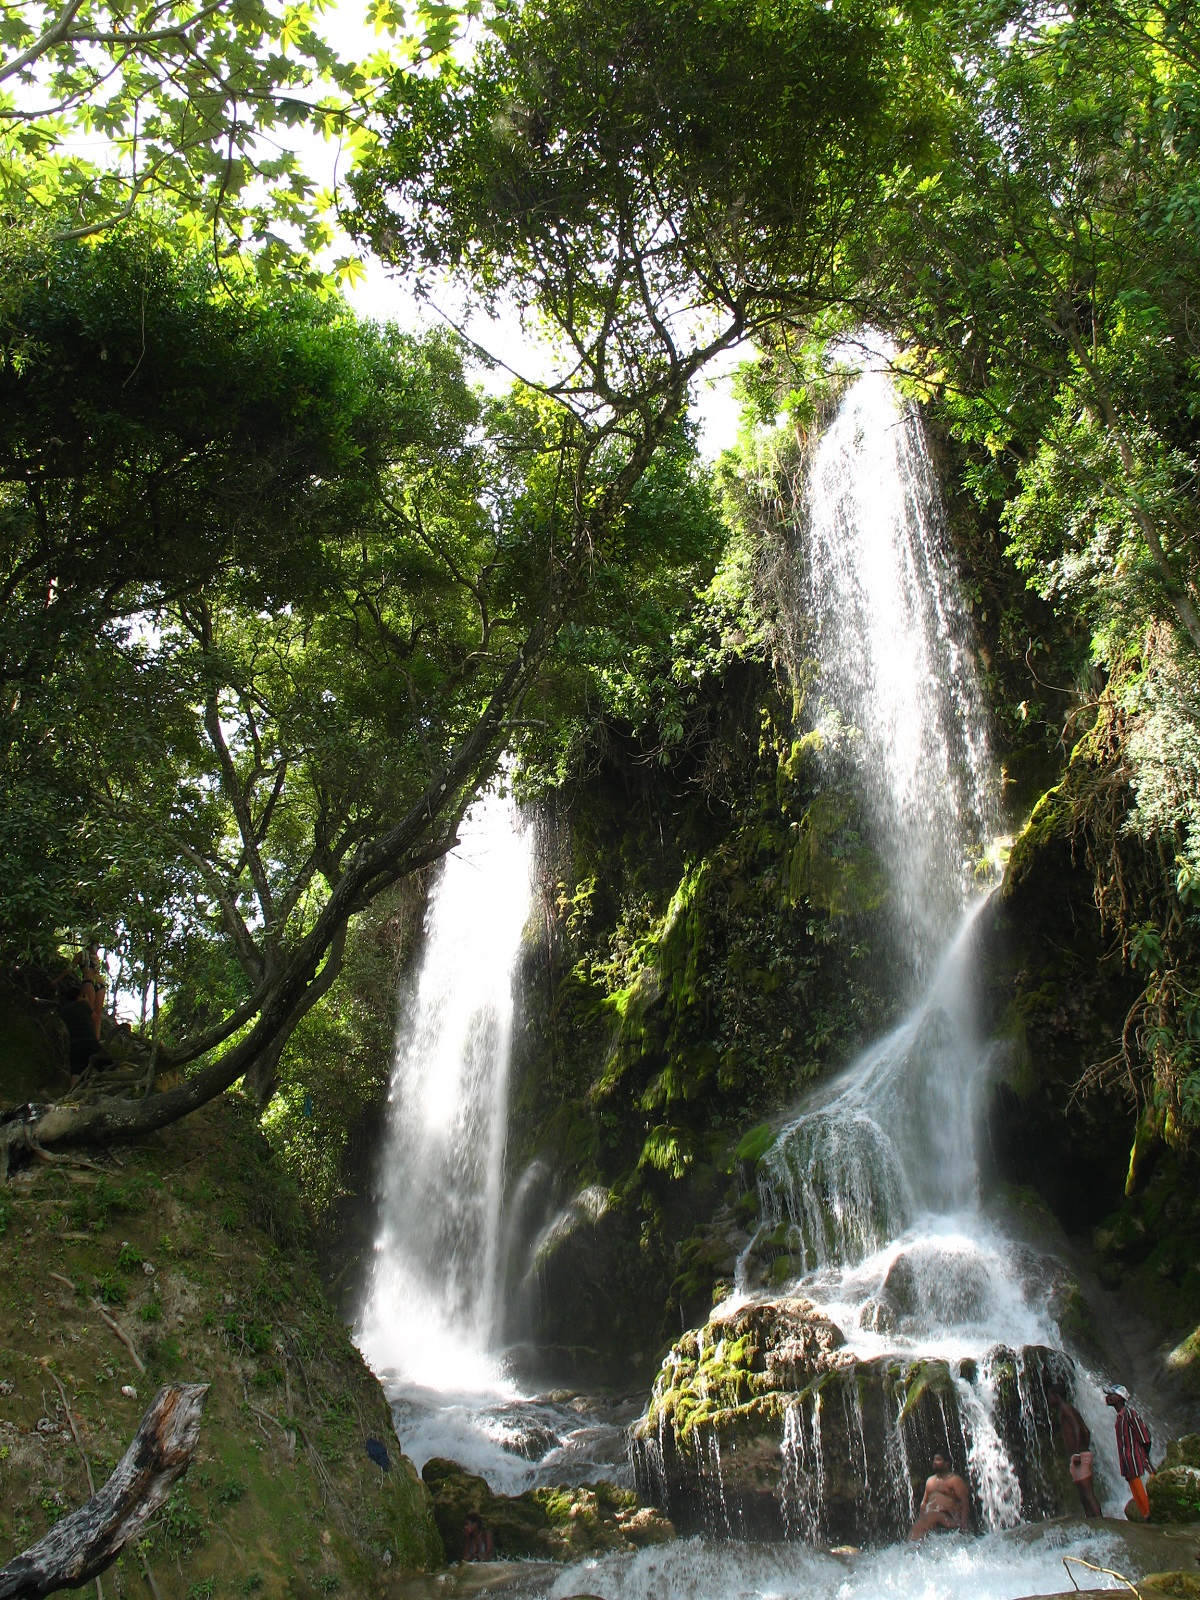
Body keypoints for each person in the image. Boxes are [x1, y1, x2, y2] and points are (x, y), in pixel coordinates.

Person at [1047, 1382, 1103, 1518]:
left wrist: (1079, 1452)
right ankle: (1093, 1524)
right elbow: (1086, 1431)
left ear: (1056, 1396)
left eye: (1050, 1396)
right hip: (1079, 1456)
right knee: (1083, 1497)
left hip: (1079, 1456)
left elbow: (1078, 1428)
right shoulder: (1066, 1409)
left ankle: (1101, 1524)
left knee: (1088, 1494)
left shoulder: (1066, 1408)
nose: (1048, 1400)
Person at [1106, 1384, 1153, 1520]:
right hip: (1127, 1460)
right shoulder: (1119, 1418)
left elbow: (1145, 1437)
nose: (1108, 1397)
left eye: (1111, 1395)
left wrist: (1143, 1456)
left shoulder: (1130, 1414)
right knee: (1133, 1483)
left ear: (1120, 1398)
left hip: (1135, 1457)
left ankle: (1149, 1513)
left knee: (1138, 1483)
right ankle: (1145, 1515)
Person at [58, 981, 111, 1084]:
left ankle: (71, 1096)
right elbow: (95, 1018)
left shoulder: (63, 1011)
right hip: (89, 1041)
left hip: (75, 1044)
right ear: (78, 996)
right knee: (107, 1065)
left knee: (76, 1072)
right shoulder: (83, 1004)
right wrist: (87, 1002)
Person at [909, 1452, 970, 1540]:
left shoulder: (954, 1480)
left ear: (947, 1463)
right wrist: (921, 1518)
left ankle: (910, 1547)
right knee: (921, 1526)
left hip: (947, 1516)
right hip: (931, 1517)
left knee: (923, 1523)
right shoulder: (930, 1481)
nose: (934, 1462)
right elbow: (924, 1503)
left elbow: (964, 1502)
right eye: (934, 1460)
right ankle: (914, 1546)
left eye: (938, 1460)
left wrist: (963, 1524)